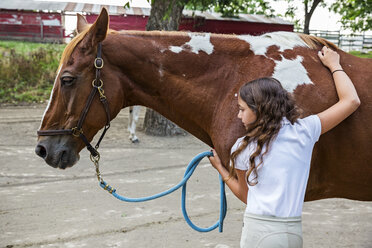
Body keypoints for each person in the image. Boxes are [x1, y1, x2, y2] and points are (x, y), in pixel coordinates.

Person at [208, 46, 360, 248]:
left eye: (242, 109)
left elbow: (246, 196)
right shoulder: (304, 131)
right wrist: (335, 65)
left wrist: (221, 169)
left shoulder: (243, 147)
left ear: (259, 110)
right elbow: (351, 100)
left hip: (259, 231)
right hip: (292, 233)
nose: (239, 116)